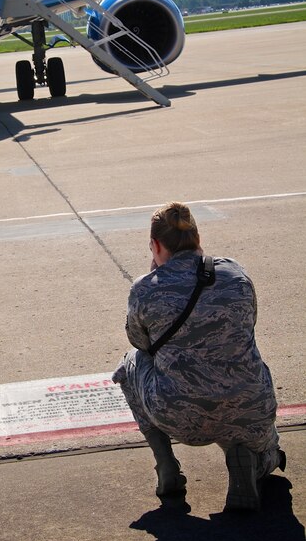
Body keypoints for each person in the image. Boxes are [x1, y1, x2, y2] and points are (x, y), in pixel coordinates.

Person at [113, 201, 285, 511]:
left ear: (155, 245)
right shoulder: (235, 273)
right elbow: (249, 324)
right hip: (249, 409)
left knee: (130, 364)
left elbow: (140, 343)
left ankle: (167, 467)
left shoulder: (146, 289)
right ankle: (253, 461)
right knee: (266, 446)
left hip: (181, 417)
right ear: (197, 237)